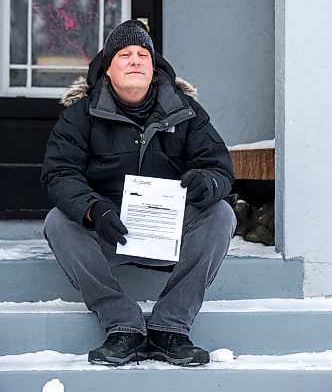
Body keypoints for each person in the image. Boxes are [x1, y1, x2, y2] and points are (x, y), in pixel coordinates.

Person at [41, 20, 236, 367]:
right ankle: (123, 326)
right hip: (109, 232)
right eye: (125, 55)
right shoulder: (80, 115)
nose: (135, 60)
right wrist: (93, 209)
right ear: (108, 70)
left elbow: (220, 168)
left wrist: (208, 182)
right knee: (58, 221)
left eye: (143, 54)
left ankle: (170, 328)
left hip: (170, 232)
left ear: (154, 66)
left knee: (221, 213)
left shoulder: (187, 112)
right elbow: (59, 173)